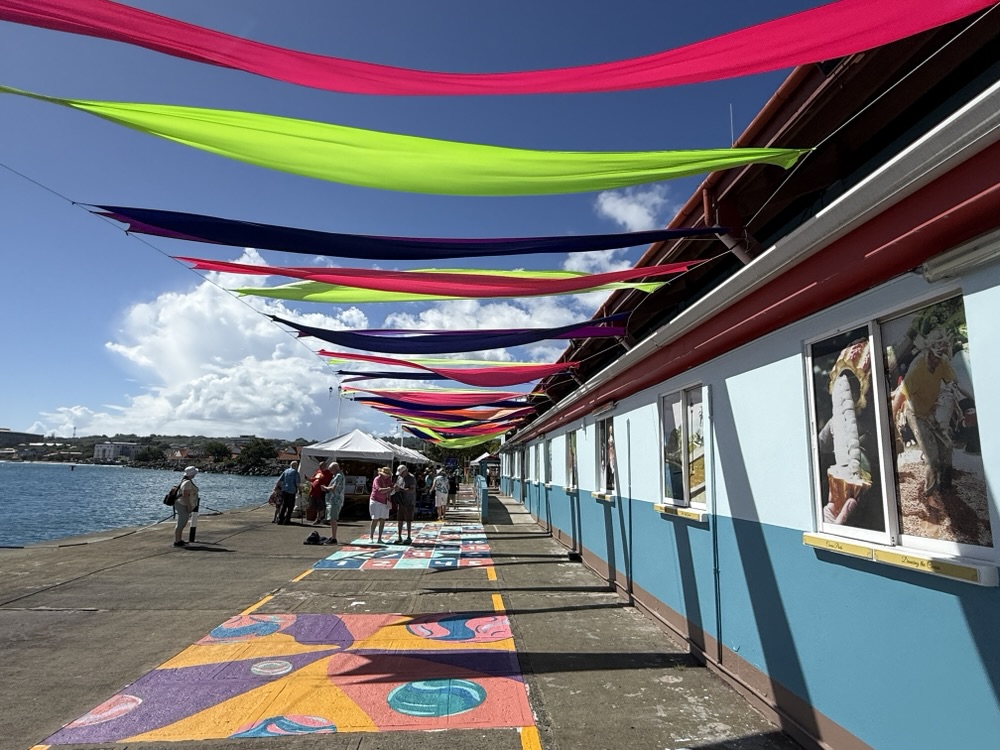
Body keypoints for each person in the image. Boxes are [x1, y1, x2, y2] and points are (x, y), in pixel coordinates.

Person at [891, 327, 969, 520]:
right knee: (932, 458)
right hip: (916, 414)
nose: (936, 359)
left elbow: (956, 383)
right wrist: (890, 424)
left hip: (931, 410)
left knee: (948, 445)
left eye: (940, 355)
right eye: (934, 355)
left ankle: (946, 486)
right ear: (927, 351)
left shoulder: (943, 363)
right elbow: (900, 398)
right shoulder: (916, 370)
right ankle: (930, 494)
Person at [174, 466, 199, 547]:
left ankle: (179, 540)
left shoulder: (185, 481)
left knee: (181, 522)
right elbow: (186, 495)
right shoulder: (187, 482)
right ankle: (177, 541)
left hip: (181, 503)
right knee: (181, 523)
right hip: (183, 504)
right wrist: (189, 506)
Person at [321, 461, 345, 545]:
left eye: (331, 470)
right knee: (331, 519)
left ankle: (334, 538)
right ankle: (333, 536)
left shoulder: (338, 476)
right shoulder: (336, 475)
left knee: (333, 519)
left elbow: (333, 488)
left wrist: (325, 488)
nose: (330, 472)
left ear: (336, 468)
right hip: (332, 499)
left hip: (335, 500)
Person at [393, 464, 417, 544]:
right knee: (400, 519)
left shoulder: (411, 478)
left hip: (409, 501)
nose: (400, 475)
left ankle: (409, 537)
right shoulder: (400, 477)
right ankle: (399, 536)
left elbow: (412, 490)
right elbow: (398, 485)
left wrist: (401, 489)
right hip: (401, 501)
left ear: (405, 471)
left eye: (401, 473)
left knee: (408, 520)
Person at [369, 466, 393, 543]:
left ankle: (379, 538)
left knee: (383, 520)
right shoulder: (377, 479)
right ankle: (371, 536)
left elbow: (391, 487)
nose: (388, 476)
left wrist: (393, 488)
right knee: (375, 519)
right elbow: (379, 490)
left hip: (385, 501)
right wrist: (389, 489)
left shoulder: (389, 479)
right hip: (375, 500)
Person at [275, 460, 300, 525]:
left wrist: (276, 488)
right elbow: (297, 483)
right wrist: (300, 489)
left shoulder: (286, 471)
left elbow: (279, 480)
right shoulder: (295, 472)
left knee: (284, 505)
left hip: (285, 490)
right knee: (290, 506)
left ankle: (280, 519)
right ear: (296, 466)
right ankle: (287, 519)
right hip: (292, 491)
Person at [308, 460, 333, 526]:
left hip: (322, 491)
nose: (320, 467)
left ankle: (321, 519)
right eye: (320, 466)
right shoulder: (318, 472)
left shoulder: (328, 473)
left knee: (322, 506)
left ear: (325, 466)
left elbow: (332, 481)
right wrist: (309, 480)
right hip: (315, 491)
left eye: (322, 466)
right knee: (316, 506)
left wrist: (327, 487)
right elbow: (313, 479)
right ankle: (319, 518)